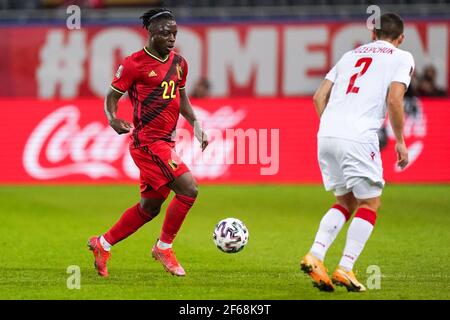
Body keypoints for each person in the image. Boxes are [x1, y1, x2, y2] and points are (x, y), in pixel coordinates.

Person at [88, 8, 208, 277]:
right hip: (147, 143)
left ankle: (102, 243)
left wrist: (197, 123)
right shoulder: (134, 64)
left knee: (150, 207)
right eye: (166, 33)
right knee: (188, 189)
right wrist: (112, 118)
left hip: (166, 142)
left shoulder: (180, 63)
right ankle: (163, 248)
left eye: (175, 33)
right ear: (151, 33)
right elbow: (111, 96)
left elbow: (181, 98)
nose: (171, 37)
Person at [301, 13, 414, 292]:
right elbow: (395, 99)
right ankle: (346, 267)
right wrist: (400, 140)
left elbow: (318, 97)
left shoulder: (349, 55)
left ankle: (315, 255)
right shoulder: (402, 57)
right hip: (358, 138)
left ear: (373, 34)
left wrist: (332, 126)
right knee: (370, 203)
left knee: (347, 201)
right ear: (400, 38)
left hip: (326, 134)